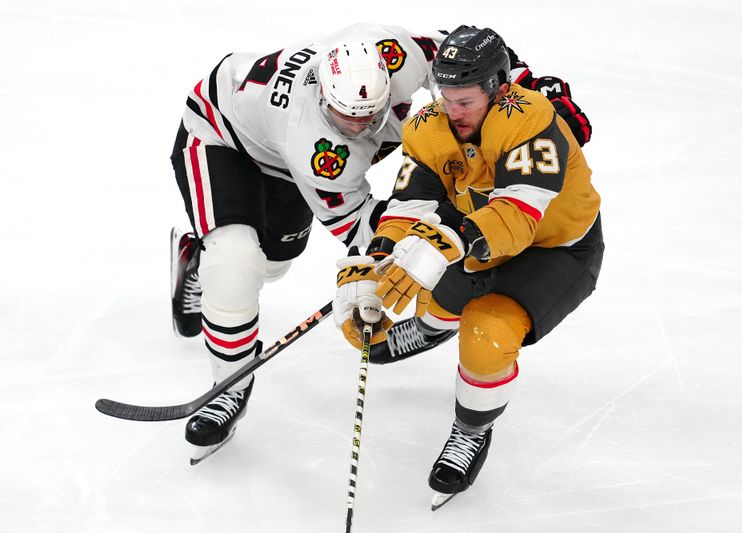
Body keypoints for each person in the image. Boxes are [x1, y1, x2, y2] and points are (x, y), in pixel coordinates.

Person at [168, 22, 594, 463]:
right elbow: (362, 225)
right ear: (321, 97)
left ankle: (195, 260)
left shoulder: (396, 54)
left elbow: (465, 59)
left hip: (276, 141)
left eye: (371, 113)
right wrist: (382, 269)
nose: (359, 126)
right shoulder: (317, 148)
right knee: (237, 263)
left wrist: (529, 87)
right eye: (345, 116)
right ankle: (227, 386)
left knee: (275, 263)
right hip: (221, 134)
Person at [333, 25, 603, 507]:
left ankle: (471, 429)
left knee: (486, 334)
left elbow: (519, 213)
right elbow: (409, 207)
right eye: (446, 97)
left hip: (556, 248)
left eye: (466, 101)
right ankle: (434, 326)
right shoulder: (427, 126)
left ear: (497, 89)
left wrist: (444, 242)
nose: (453, 112)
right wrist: (376, 261)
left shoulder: (530, 114)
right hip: (478, 231)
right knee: (418, 283)